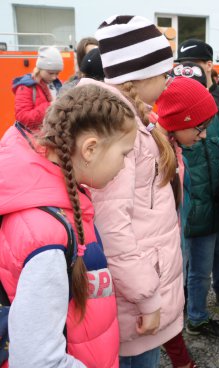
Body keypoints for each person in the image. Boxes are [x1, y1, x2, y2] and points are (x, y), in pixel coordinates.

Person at [0, 84, 137, 367]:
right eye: (124, 154)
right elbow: (37, 360)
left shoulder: (55, 203)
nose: (123, 166)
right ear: (90, 148)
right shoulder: (47, 236)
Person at [88, 14, 185, 368]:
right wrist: (147, 300)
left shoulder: (136, 121)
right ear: (141, 76)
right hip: (135, 298)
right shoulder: (120, 132)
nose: (167, 81)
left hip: (142, 284)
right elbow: (112, 228)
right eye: (164, 73)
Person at [166, 66, 219, 337]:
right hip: (196, 209)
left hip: (217, 203)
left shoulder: (213, 119)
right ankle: (195, 317)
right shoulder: (174, 134)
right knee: (198, 268)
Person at [155, 76, 219, 368]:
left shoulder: (172, 149)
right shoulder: (154, 156)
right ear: (180, 120)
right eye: (200, 128)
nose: (204, 135)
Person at [176, 39, 219, 152]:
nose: (187, 69)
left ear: (209, 65)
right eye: (182, 65)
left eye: (192, 64)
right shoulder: (174, 98)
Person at [12, 46, 64, 131]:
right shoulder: (25, 87)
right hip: (34, 138)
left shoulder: (59, 84)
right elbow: (23, 117)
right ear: (40, 68)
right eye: (50, 73)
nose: (54, 77)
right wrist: (50, 106)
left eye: (57, 73)